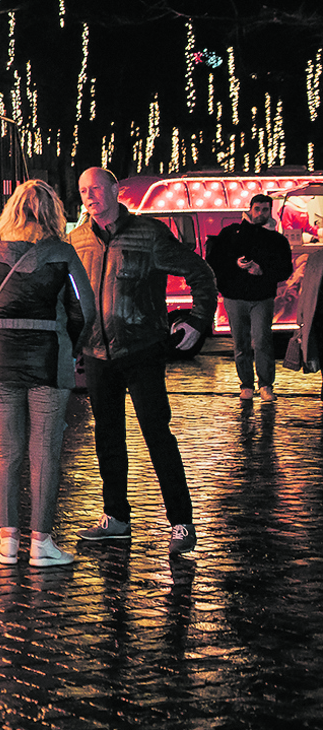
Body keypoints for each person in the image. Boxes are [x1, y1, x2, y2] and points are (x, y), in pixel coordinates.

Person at [69, 166, 217, 556]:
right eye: (84, 190)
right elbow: (69, 297)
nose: (90, 196)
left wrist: (198, 321)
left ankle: (181, 522)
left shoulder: (148, 234)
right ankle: (115, 517)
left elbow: (200, 273)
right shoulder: (77, 240)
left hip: (142, 348)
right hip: (97, 352)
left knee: (157, 436)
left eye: (97, 188)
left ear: (115, 191)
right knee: (107, 437)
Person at [0, 180, 95, 567]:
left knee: (6, 449)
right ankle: (41, 543)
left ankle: (7, 543)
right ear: (53, 213)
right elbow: (82, 311)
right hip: (48, 358)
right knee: (45, 450)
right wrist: (72, 344)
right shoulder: (62, 254)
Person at [205, 193, 293, 402]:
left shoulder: (277, 240)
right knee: (241, 343)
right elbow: (215, 260)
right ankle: (246, 385)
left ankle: (265, 385)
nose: (261, 213)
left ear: (270, 211)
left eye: (265, 210)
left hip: (261, 297)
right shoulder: (231, 233)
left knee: (262, 341)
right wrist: (236, 265)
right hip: (235, 296)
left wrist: (262, 271)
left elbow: (285, 268)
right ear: (250, 209)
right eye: (257, 209)